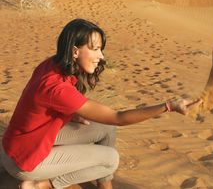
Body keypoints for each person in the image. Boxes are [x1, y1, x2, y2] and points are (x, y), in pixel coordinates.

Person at [0, 18, 197, 189]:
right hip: (24, 163)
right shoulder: (57, 88)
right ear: (75, 51)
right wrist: (168, 106)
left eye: (100, 49)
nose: (101, 56)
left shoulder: (53, 64)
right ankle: (44, 184)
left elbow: (39, 105)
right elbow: (117, 118)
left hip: (21, 143)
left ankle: (104, 183)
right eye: (95, 49)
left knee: (106, 129)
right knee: (110, 158)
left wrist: (70, 113)